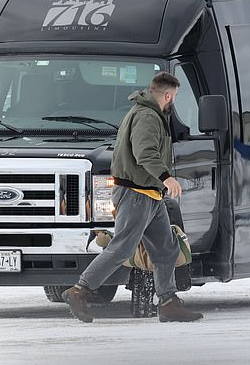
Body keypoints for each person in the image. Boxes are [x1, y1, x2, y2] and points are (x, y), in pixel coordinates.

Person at [62, 71, 203, 323]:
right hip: (136, 194)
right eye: (174, 97)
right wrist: (167, 178)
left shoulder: (147, 112)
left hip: (150, 195)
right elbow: (144, 152)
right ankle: (79, 290)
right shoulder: (147, 116)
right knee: (122, 248)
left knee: (166, 248)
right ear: (168, 95)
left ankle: (168, 302)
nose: (173, 102)